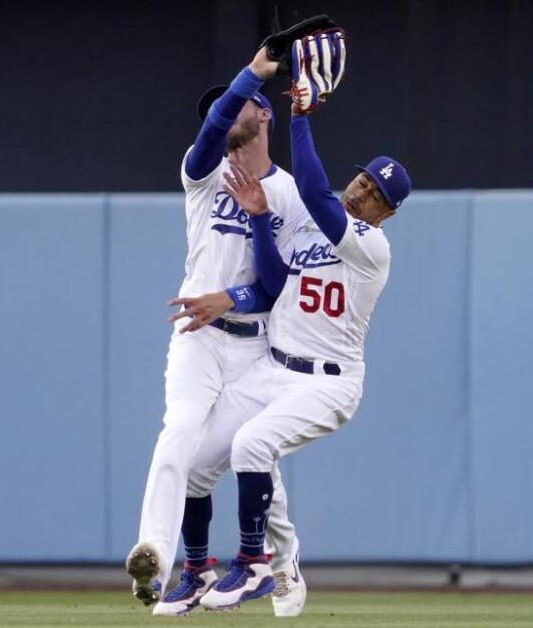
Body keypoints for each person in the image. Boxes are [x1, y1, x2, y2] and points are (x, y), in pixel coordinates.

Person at [167, 90, 412, 611]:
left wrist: (299, 118)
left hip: (329, 381)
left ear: (386, 213)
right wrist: (258, 217)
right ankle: (214, 569)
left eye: (372, 194)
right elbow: (275, 282)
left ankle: (253, 562)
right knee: (196, 466)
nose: (359, 192)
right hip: (272, 367)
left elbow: (317, 195)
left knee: (254, 446)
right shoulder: (310, 230)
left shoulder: (372, 245)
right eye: (362, 180)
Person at [126, 45, 310, 618]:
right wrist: (253, 74)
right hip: (198, 339)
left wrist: (231, 292)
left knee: (249, 456)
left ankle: (277, 564)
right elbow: (209, 130)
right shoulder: (203, 176)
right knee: (179, 431)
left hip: (256, 345)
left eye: (237, 107)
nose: (223, 115)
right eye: (219, 110)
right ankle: (158, 554)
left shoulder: (290, 195)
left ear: (264, 117)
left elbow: (277, 287)